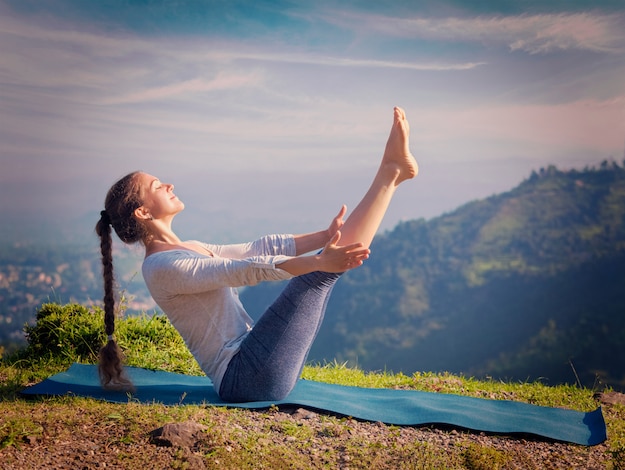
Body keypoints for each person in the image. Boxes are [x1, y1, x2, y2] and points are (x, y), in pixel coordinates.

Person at [95, 106, 418, 402]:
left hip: (252, 364)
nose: (168, 184)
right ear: (143, 213)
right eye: (156, 186)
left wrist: (324, 237)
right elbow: (245, 269)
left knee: (321, 269)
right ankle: (389, 175)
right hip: (246, 379)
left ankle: (391, 174)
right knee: (317, 276)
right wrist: (319, 261)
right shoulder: (162, 267)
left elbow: (257, 249)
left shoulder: (187, 249)